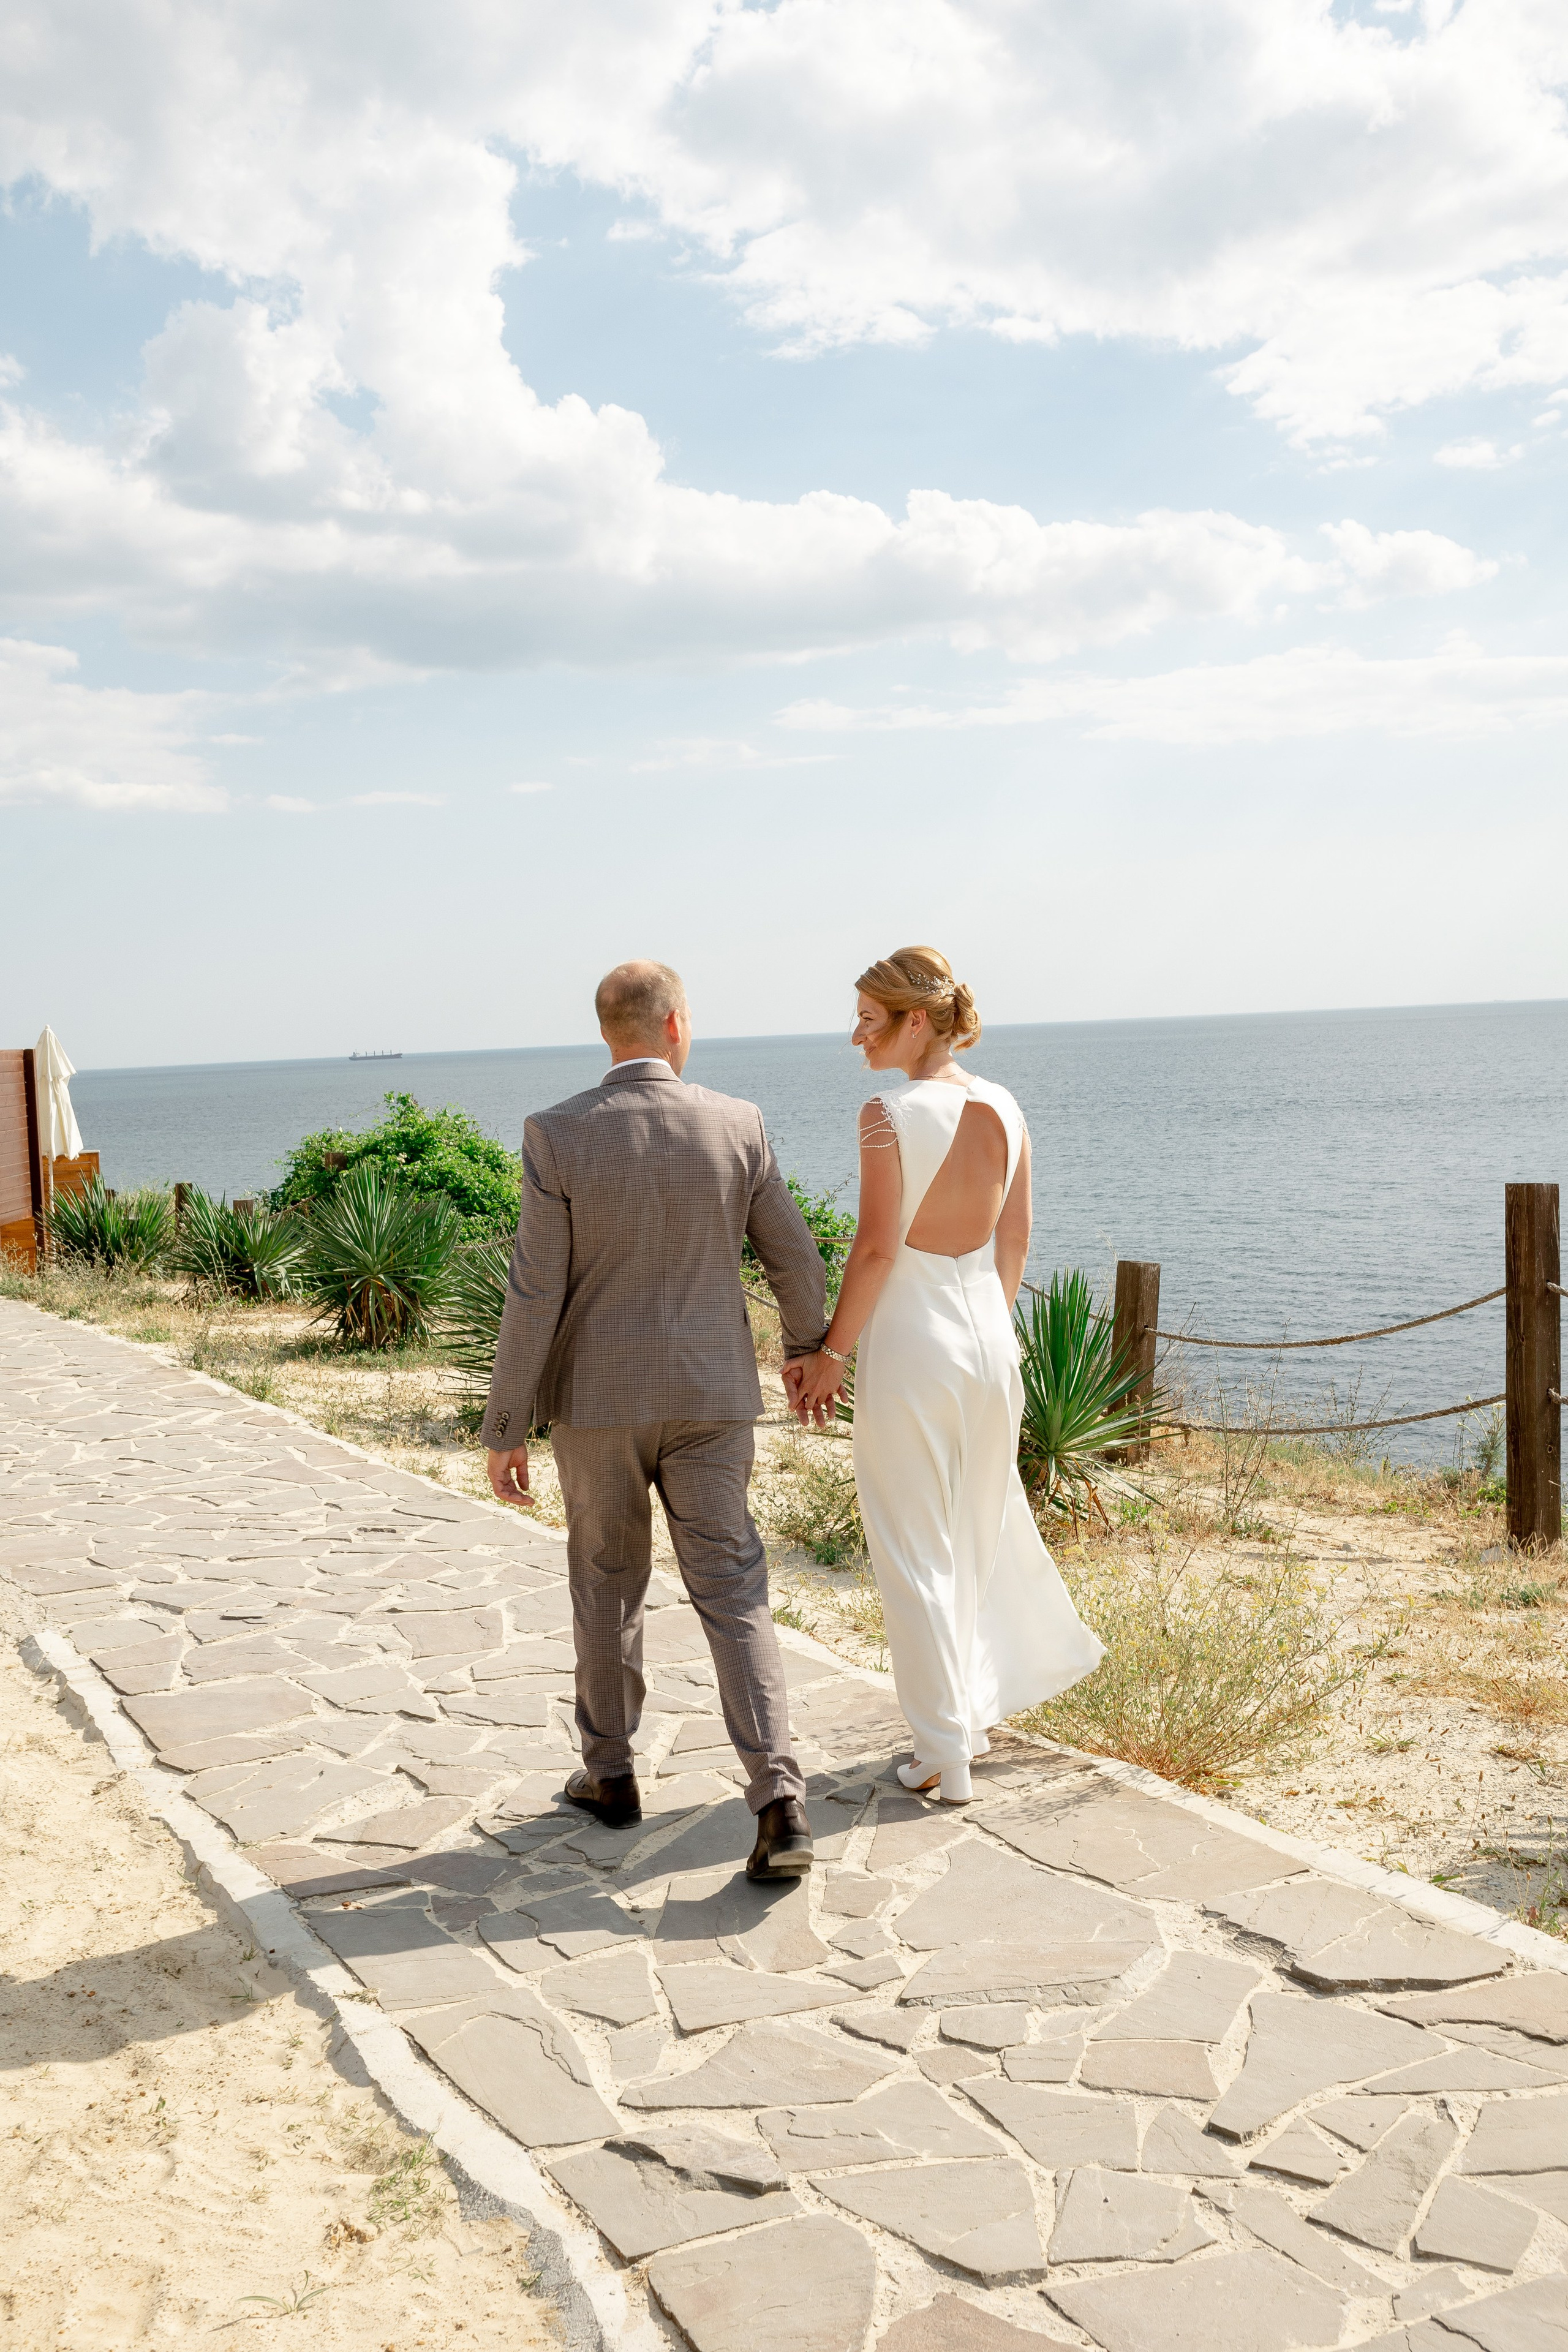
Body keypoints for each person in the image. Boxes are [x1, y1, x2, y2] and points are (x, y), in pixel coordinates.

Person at [484, 960, 827, 1879]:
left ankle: (610, 1775)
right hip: (713, 1397)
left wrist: (506, 1422)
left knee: (606, 1584)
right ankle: (780, 1802)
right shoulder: (738, 1123)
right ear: (676, 1024)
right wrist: (810, 1351)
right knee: (734, 1587)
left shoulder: (557, 1133)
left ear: (608, 1033)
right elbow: (796, 1259)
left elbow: (535, 1290)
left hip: (595, 1404)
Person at [786, 946, 1103, 1804]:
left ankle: (943, 1753)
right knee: (972, 1538)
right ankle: (964, 1720)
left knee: (912, 1549)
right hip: (991, 1343)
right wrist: (986, 1328)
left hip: (915, 1349)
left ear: (916, 1020)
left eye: (869, 1019)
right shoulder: (1005, 1105)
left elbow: (877, 1249)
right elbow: (1016, 1239)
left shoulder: (886, 1113)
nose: (856, 1036)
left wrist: (832, 1355)